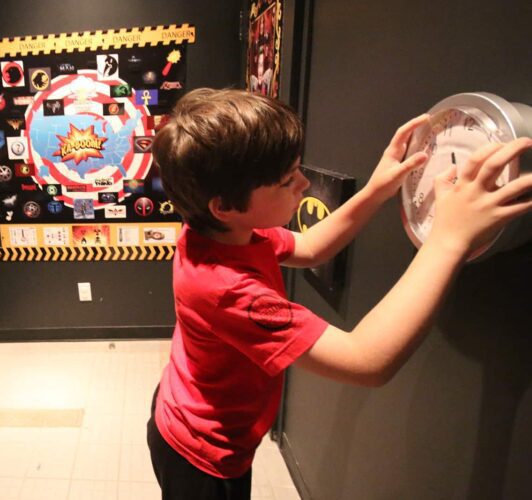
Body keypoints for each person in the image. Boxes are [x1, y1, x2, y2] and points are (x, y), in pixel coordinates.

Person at [147, 88, 532, 499]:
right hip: (201, 454)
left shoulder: (226, 231)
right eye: (286, 180)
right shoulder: (225, 288)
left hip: (194, 414)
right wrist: (449, 240)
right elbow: (367, 361)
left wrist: (377, 189)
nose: (303, 183)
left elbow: (311, 247)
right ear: (224, 206)